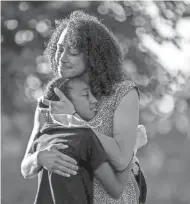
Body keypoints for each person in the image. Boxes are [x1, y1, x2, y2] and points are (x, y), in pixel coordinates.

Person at [22, 10, 147, 204]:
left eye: (72, 51)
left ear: (93, 56)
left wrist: (73, 118)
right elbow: (26, 166)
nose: (62, 57)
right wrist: (39, 158)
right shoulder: (50, 99)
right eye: (59, 48)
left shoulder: (122, 93)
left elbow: (122, 160)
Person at [22, 76, 142, 204]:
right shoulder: (85, 137)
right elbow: (116, 189)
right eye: (86, 95)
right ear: (65, 102)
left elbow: (25, 171)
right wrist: (132, 146)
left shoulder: (44, 135)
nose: (94, 100)